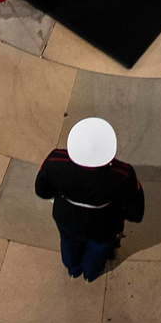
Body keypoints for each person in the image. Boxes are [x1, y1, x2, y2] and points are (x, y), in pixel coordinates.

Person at [33, 117, 146, 281]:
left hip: (66, 217)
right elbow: (135, 211)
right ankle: (90, 274)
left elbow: (42, 191)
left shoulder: (55, 161)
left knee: (69, 243)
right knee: (98, 251)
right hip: (104, 224)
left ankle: (73, 269)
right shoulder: (123, 174)